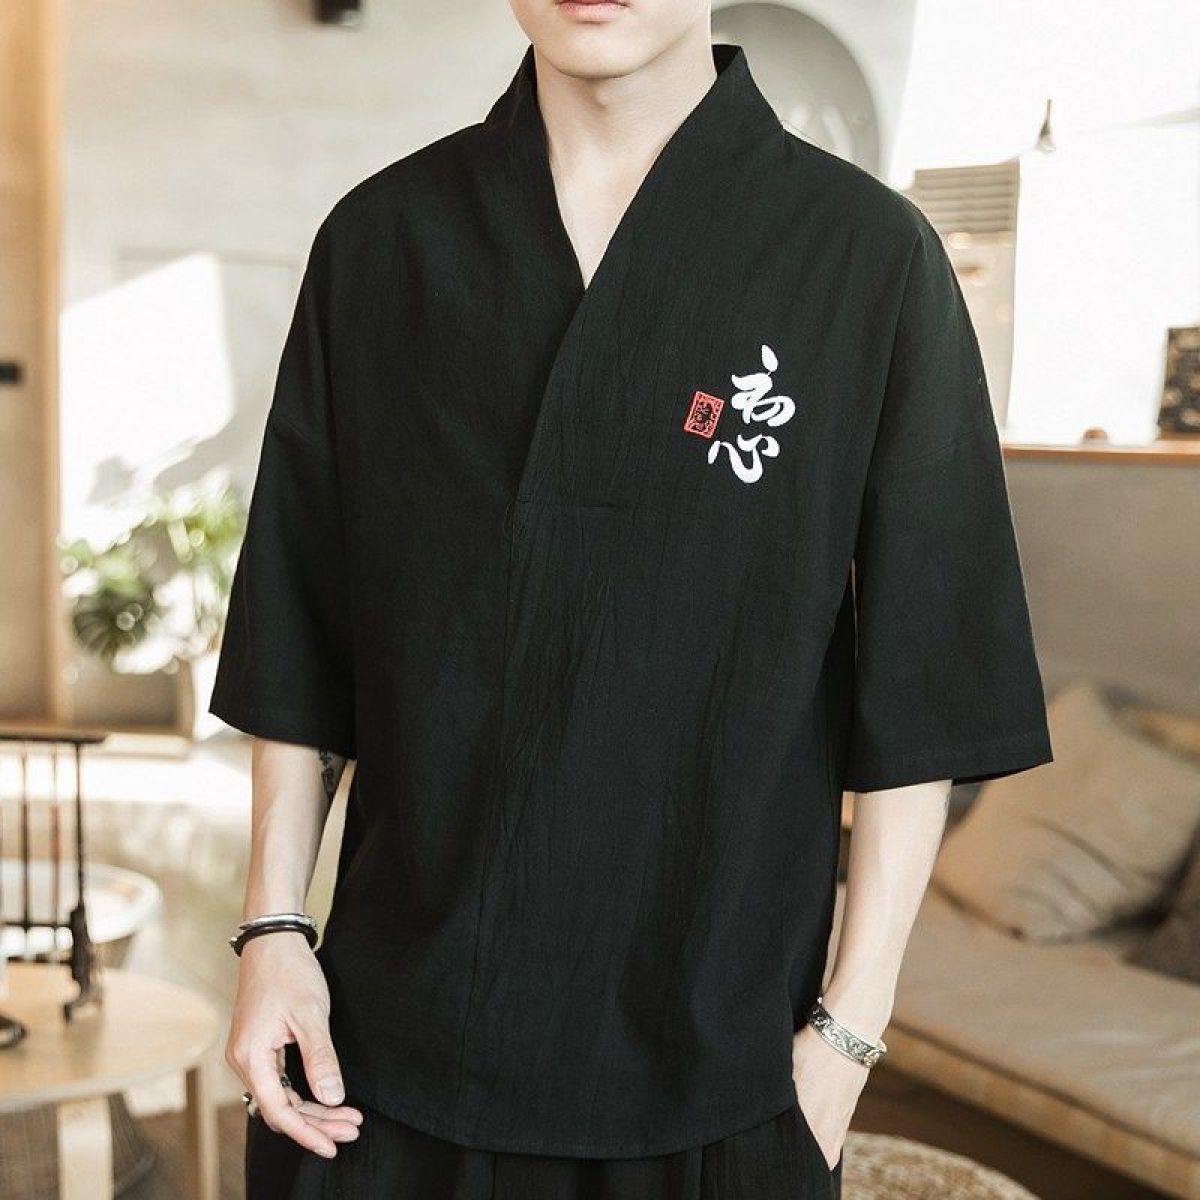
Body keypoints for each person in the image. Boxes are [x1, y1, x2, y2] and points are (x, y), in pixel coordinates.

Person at [210, 2, 1054, 1197]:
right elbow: (300, 634)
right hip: (383, 1063)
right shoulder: (382, 241)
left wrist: (847, 1038)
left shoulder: (865, 258)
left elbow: (926, 694)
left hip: (720, 1078)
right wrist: (273, 933)